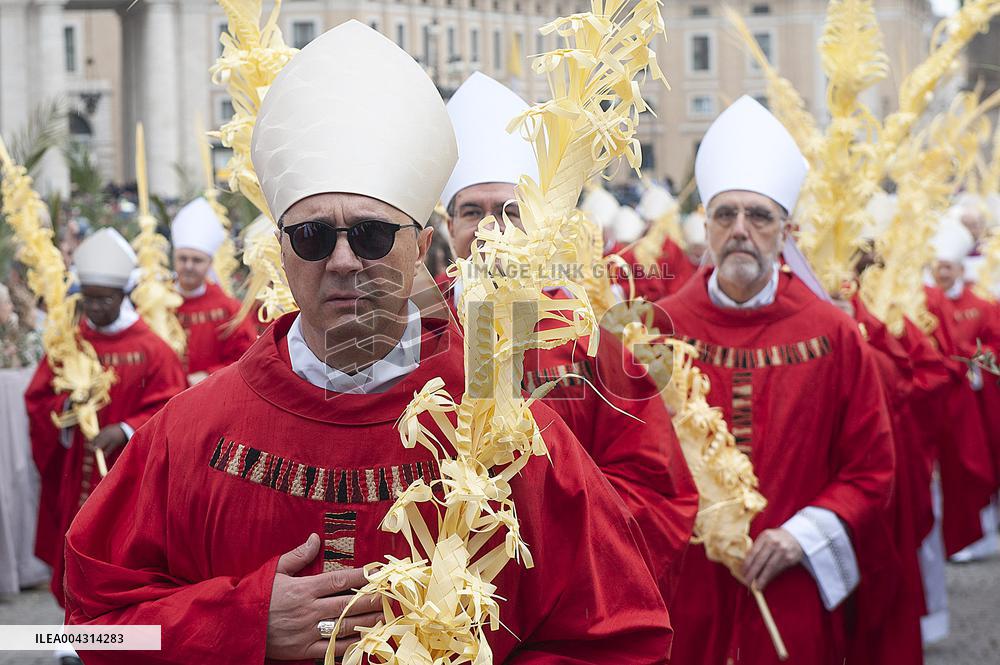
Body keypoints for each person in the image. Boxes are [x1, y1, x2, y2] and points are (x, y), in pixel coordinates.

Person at [63, 23, 671, 664]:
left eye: (375, 236)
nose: (345, 261)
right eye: (313, 237)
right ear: (282, 254)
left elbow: (622, 638)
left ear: (421, 248)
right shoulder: (187, 436)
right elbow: (87, 627)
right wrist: (240, 625)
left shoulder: (509, 434)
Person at [438, 71, 698, 603]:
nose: (491, 230)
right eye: (472, 212)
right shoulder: (408, 330)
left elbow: (653, 485)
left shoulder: (589, 339)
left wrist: (543, 538)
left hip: (560, 596)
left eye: (509, 212)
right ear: (447, 228)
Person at [652, 96, 895, 665]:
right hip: (689, 595)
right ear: (705, 227)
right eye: (726, 215)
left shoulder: (832, 333)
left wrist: (800, 536)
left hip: (791, 587)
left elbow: (872, 469)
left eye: (759, 216)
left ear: (786, 230)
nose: (741, 230)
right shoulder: (657, 334)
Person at [25, 228, 187, 611]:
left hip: (129, 474)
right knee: (73, 546)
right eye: (89, 300)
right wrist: (66, 408)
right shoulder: (71, 343)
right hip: (77, 471)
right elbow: (38, 397)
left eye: (104, 301)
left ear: (123, 295)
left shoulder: (152, 349)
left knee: (118, 554)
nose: (95, 309)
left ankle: (116, 632)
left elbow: (174, 407)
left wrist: (126, 428)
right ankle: (72, 631)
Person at [925, 215, 1000, 563]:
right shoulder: (927, 305)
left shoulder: (982, 305)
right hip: (946, 398)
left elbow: (994, 346)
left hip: (981, 397)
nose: (942, 273)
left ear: (958, 268)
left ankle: (983, 533)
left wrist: (974, 359)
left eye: (947, 267)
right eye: (937, 267)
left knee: (979, 463)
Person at [171, 197, 257, 384]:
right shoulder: (157, 302)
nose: (188, 266)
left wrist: (208, 375)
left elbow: (246, 356)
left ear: (210, 263)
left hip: (210, 392)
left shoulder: (228, 308)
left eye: (197, 260)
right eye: (183, 258)